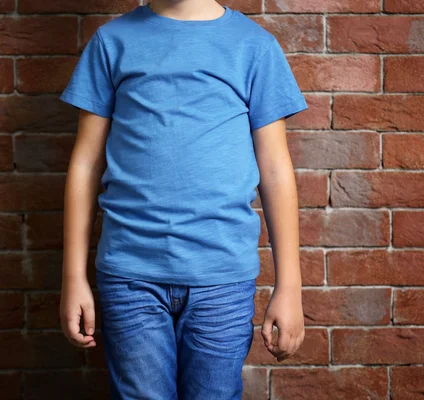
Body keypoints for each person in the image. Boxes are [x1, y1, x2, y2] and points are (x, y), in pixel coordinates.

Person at [58, 0, 308, 398]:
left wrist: (289, 287)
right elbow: (85, 165)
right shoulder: (112, 41)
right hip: (130, 274)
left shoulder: (254, 46)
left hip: (223, 279)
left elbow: (276, 172)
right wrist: (74, 278)